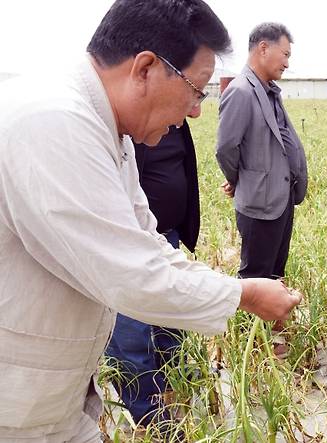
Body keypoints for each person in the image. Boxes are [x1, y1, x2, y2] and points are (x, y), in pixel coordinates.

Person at [0, 1, 301, 441]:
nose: (197, 111)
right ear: (144, 68)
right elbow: (131, 275)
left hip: (47, 399)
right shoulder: (55, 122)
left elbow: (149, 240)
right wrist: (243, 294)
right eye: (196, 90)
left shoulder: (109, 130)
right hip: (16, 404)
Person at [216, 22, 308, 346]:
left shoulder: (269, 92)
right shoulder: (241, 92)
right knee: (255, 275)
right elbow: (226, 148)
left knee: (275, 269)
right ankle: (254, 346)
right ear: (263, 48)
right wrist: (239, 180)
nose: (287, 62)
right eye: (285, 54)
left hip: (280, 199)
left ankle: (274, 333)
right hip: (259, 202)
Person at [105, 121, 201, 427]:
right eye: (194, 90)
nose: (195, 105)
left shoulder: (172, 122)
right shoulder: (126, 126)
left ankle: (175, 388)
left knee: (170, 322)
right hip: (128, 250)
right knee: (132, 336)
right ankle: (150, 416)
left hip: (163, 236)